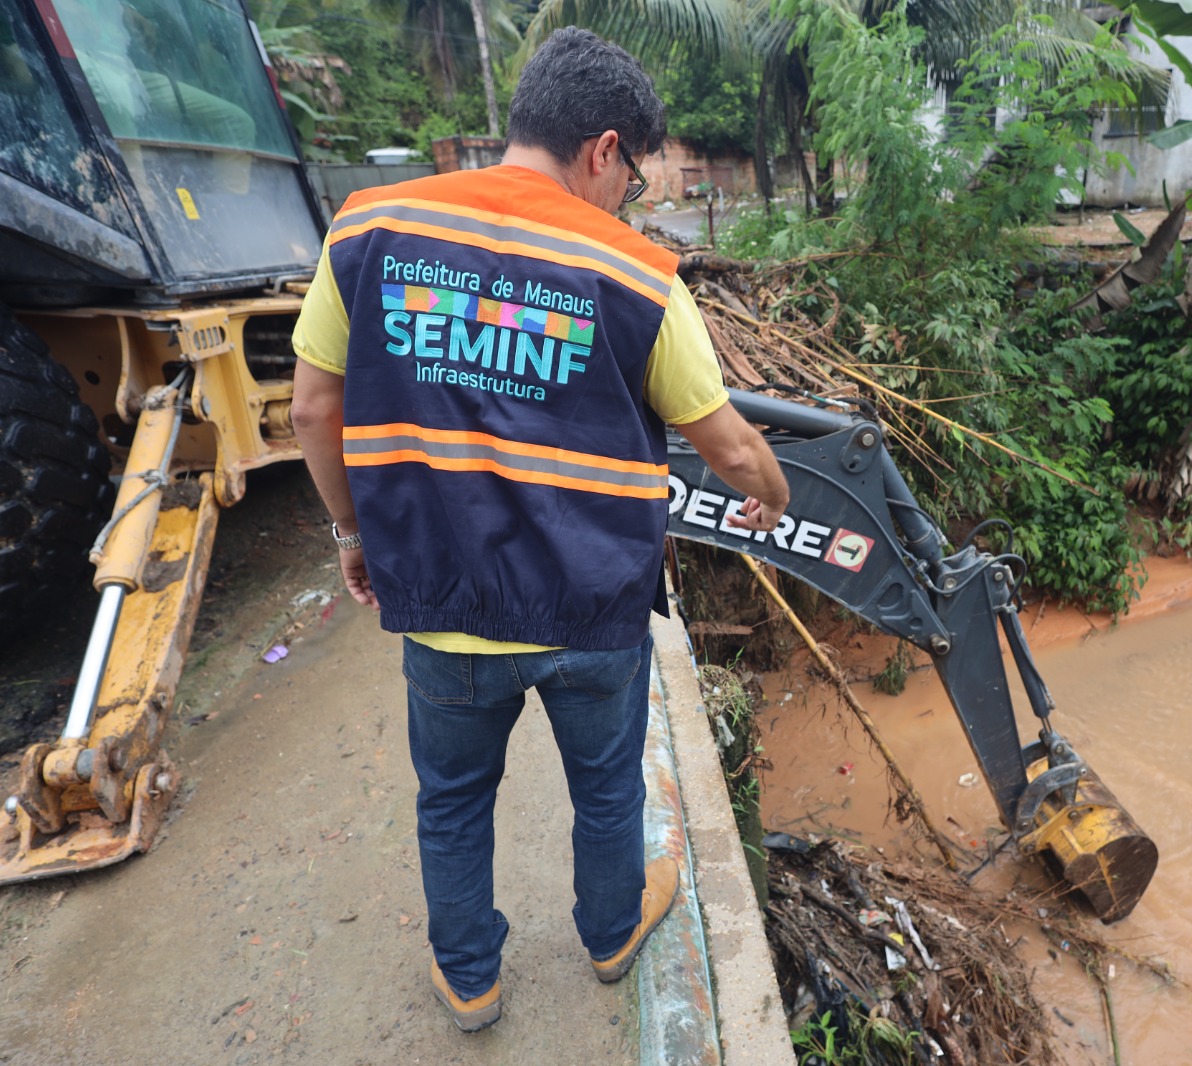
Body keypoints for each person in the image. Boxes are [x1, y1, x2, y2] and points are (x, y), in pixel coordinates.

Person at [289, 27, 789, 1034]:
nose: (628, 194)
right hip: (590, 611)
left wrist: (351, 532)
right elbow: (729, 449)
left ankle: (469, 979)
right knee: (606, 790)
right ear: (604, 148)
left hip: (440, 600)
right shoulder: (637, 274)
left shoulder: (368, 229)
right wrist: (769, 491)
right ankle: (610, 935)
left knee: (453, 798)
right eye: (632, 170)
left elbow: (310, 408)